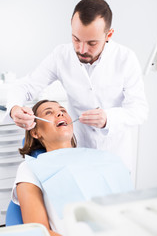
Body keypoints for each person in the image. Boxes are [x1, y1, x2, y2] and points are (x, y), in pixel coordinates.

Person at [5, 0, 148, 174]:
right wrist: (14, 109)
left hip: (115, 157)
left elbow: (139, 111)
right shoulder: (61, 56)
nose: (81, 49)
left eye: (91, 43)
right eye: (76, 39)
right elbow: (25, 87)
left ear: (108, 35)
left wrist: (107, 119)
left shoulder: (126, 59)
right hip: (76, 154)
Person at [12, 99, 133, 236]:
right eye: (49, 112)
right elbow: (38, 231)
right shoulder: (30, 167)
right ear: (35, 132)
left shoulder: (102, 158)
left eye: (63, 111)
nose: (60, 114)